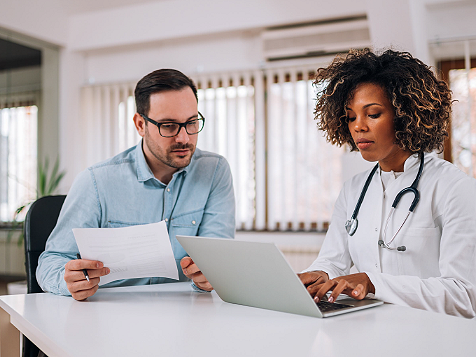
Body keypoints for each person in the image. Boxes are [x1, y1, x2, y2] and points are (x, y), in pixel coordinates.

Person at [298, 49, 476, 318]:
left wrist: (373, 283)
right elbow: (332, 260)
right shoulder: (353, 190)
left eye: (372, 114)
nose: (358, 126)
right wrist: (320, 274)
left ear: (405, 115)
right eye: (351, 116)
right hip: (369, 330)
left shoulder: (453, 187)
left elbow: (463, 295)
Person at [37, 69, 235, 300]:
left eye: (191, 123)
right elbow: (50, 262)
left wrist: (209, 277)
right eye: (169, 125)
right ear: (140, 124)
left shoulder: (215, 171)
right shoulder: (96, 181)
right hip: (110, 316)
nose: (184, 138)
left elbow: (218, 260)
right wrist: (67, 279)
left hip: (187, 315)